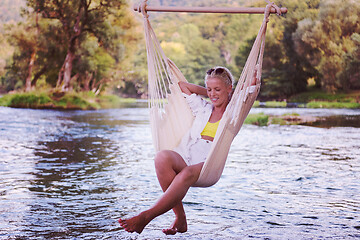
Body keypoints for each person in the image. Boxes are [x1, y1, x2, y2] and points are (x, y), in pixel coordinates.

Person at [119, 66, 257, 235]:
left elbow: (251, 89)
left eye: (217, 89)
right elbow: (183, 86)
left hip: (209, 162)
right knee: (161, 157)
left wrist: (231, 94)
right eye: (209, 89)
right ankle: (181, 219)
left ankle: (146, 217)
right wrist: (212, 94)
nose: (212, 93)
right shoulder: (203, 108)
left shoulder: (233, 111)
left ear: (229, 89)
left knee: (186, 173)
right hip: (188, 154)